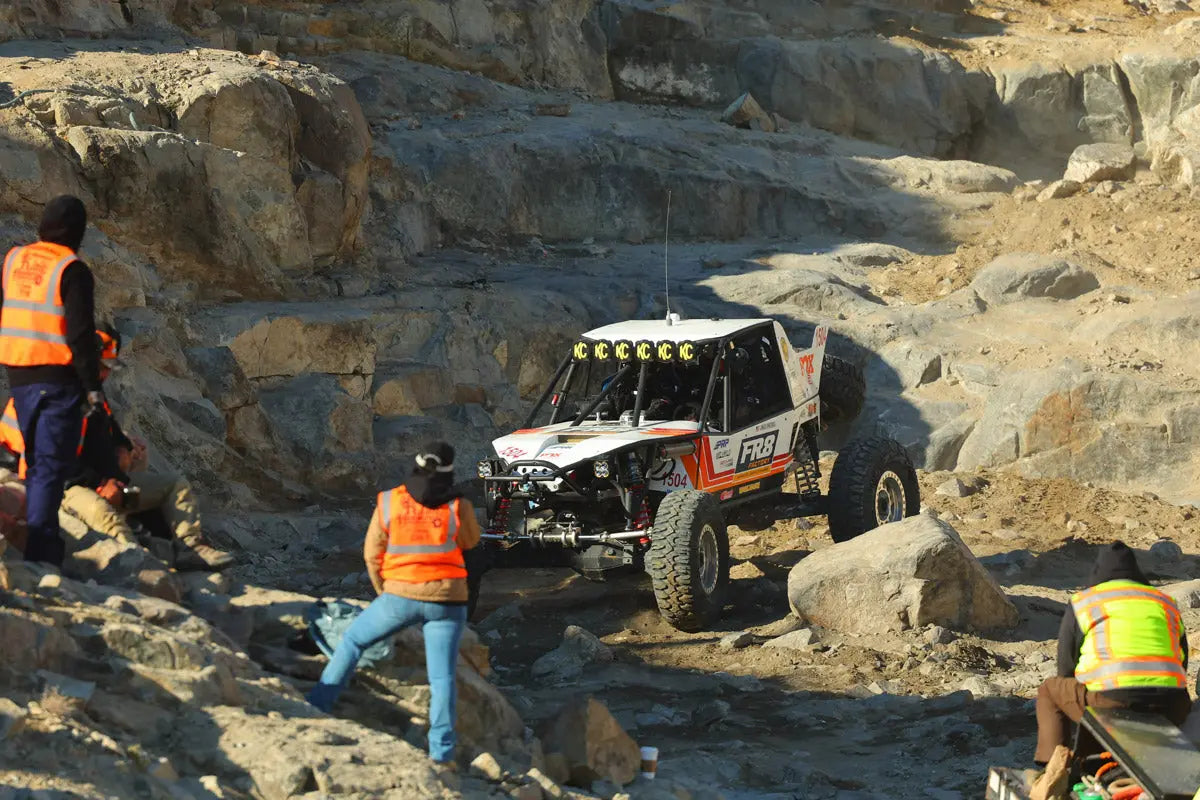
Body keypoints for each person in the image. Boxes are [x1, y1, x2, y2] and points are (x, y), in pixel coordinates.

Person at [1, 327, 234, 569]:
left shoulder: (91, 396)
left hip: (106, 485)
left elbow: (103, 436)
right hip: (65, 488)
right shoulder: (49, 396)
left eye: (107, 368)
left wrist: (125, 448)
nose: (105, 375)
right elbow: (48, 461)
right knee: (103, 513)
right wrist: (100, 483)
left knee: (172, 487)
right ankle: (143, 569)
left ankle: (189, 548)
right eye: (101, 367)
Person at [307, 442, 481, 767]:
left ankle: (316, 707)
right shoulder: (459, 505)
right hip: (447, 600)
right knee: (442, 677)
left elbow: (372, 555)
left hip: (399, 596)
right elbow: (471, 542)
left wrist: (385, 592)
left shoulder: (389, 501)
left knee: (354, 641)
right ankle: (441, 754)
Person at [0, 195, 103, 566]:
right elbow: (79, 334)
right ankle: (42, 555)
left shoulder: (14, 259)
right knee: (47, 468)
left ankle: (31, 538)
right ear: (77, 231)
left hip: (18, 376)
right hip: (57, 380)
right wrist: (92, 386)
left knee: (34, 461)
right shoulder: (71, 269)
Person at [1034, 541, 1190, 766]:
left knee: (1050, 689)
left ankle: (1052, 770)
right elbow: (1181, 662)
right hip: (1172, 706)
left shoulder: (1085, 601)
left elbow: (1066, 666)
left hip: (1111, 703)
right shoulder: (1165, 602)